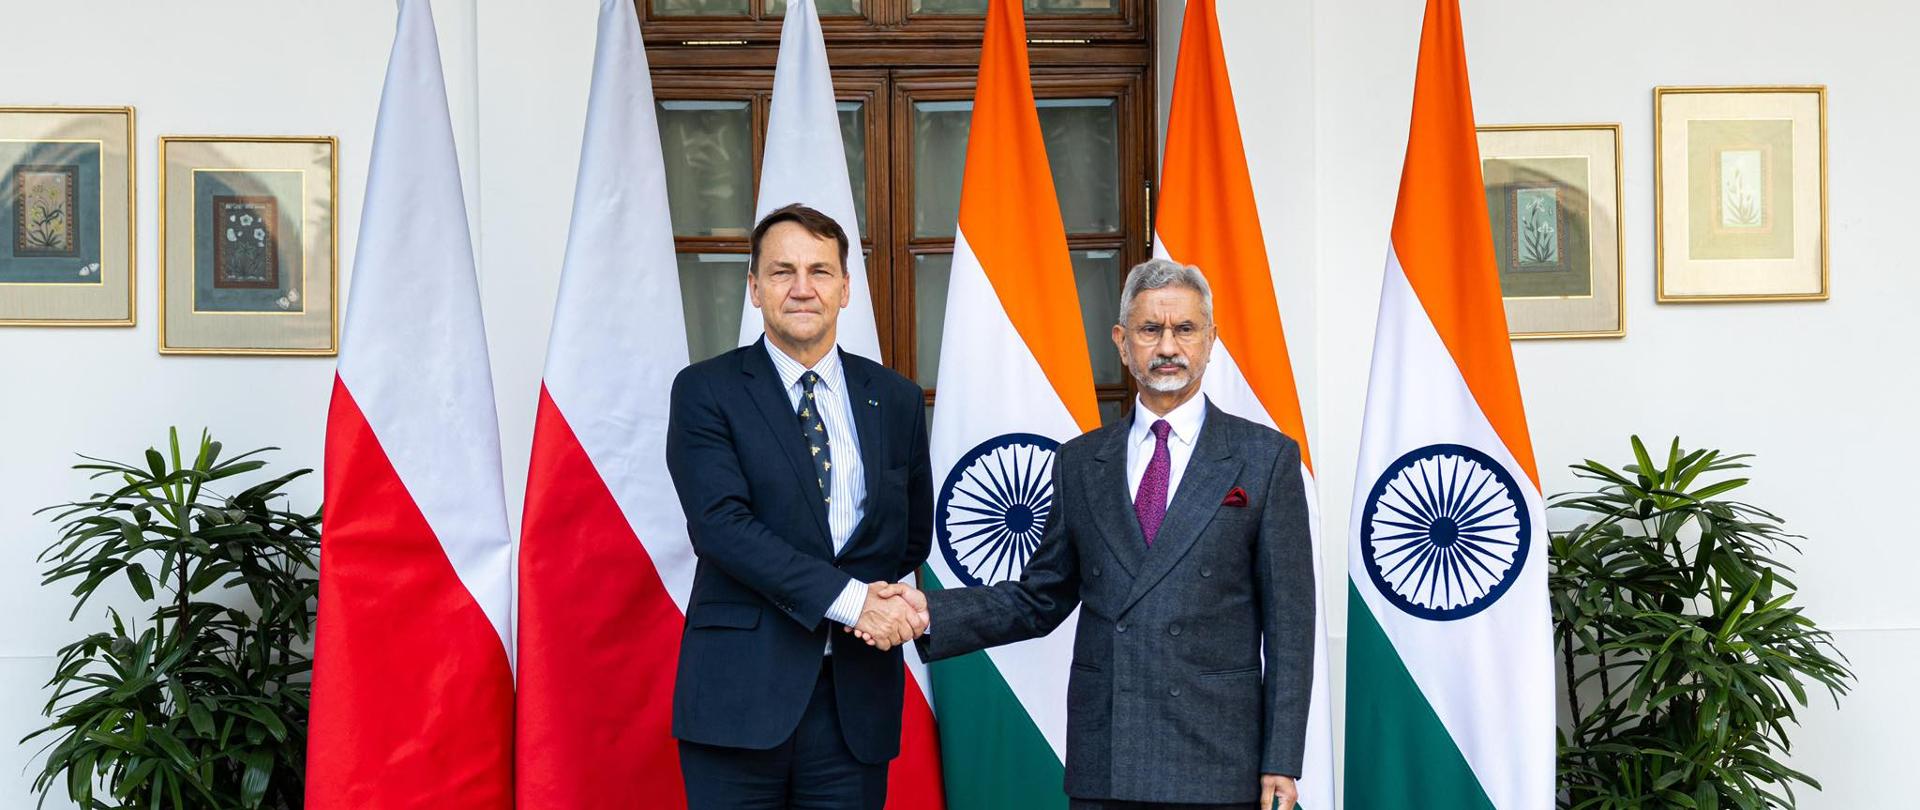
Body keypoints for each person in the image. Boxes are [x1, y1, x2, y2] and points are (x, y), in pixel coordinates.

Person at [874, 258, 1315, 810]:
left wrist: (1281, 760)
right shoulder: (1081, 462)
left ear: (1210, 339)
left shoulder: (1265, 457)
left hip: (1220, 758)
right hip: (1108, 754)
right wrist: (927, 613)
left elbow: (1291, 627)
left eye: (1185, 329)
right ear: (1122, 342)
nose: (1168, 346)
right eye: (1150, 330)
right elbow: (1041, 597)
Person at [665, 203, 932, 810]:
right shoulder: (706, 391)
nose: (803, 288)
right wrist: (854, 602)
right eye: (783, 272)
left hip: (854, 703)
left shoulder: (894, 398)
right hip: (739, 698)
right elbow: (722, 529)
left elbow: (909, 535)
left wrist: (879, 604)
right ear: (754, 290)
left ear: (845, 289)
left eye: (820, 271)